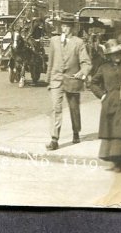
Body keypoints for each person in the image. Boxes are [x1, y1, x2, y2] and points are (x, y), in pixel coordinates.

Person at [90, 39, 121, 175]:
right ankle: (117, 162)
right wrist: (102, 95)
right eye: (113, 54)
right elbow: (93, 83)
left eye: (118, 52)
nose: (116, 55)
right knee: (113, 134)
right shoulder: (104, 68)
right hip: (110, 103)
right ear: (108, 55)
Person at [45, 12, 91, 150]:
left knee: (74, 108)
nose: (64, 28)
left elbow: (86, 62)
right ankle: (54, 139)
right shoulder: (54, 41)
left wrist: (82, 73)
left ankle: (76, 131)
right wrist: (48, 79)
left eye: (67, 26)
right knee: (55, 108)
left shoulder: (78, 42)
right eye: (62, 26)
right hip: (56, 79)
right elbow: (51, 61)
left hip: (72, 79)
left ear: (72, 28)